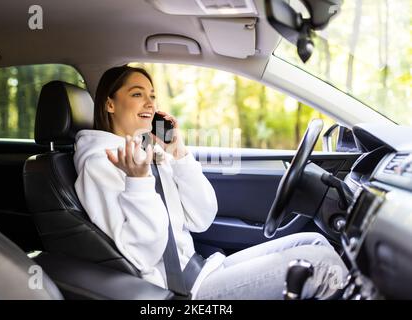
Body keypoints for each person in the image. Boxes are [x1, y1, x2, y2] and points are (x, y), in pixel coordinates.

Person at [73, 65, 348, 299]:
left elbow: (201, 219)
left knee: (315, 242)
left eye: (152, 96)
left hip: (201, 268)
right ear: (110, 104)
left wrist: (179, 155)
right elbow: (142, 255)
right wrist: (138, 182)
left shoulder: (147, 152)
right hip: (180, 291)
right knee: (322, 265)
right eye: (137, 94)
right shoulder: (99, 164)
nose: (150, 104)